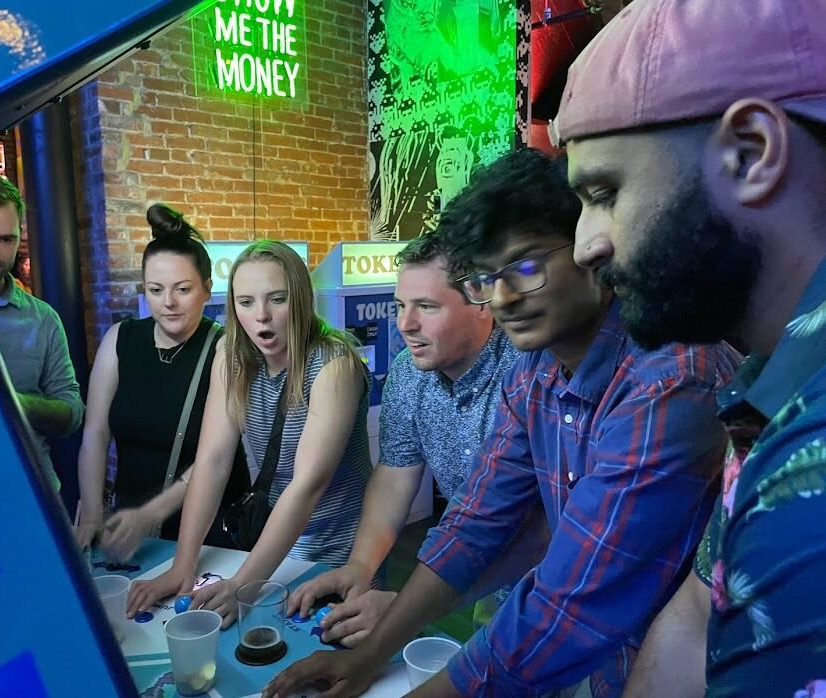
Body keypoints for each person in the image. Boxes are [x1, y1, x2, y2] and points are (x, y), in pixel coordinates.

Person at [265, 148, 741, 698]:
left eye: (526, 267)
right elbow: (477, 523)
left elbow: (573, 598)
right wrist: (370, 657)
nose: (504, 298)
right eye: (486, 278)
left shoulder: (669, 380)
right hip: (602, 661)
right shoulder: (536, 368)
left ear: (590, 247)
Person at [551, 0, 826, 694]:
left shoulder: (810, 473)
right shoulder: (771, 382)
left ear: (751, 153)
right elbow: (704, 603)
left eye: (604, 191)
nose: (585, 246)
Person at [287, 232, 525, 647]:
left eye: (426, 307)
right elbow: (395, 476)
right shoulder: (408, 373)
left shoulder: (527, 370)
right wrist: (361, 565)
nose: (405, 324)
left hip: (564, 574)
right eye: (400, 306)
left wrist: (409, 607)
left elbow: (547, 527)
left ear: (481, 303)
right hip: (476, 575)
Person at [126, 240, 372, 626]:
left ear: (302, 299)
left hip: (340, 551)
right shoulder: (231, 354)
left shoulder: (333, 364)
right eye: (246, 302)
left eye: (277, 299)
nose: (261, 316)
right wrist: (183, 566)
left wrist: (243, 584)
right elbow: (212, 460)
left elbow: (306, 485)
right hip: (274, 545)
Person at [74, 204, 250, 561]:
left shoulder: (224, 349)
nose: (168, 303)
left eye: (182, 290)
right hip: (128, 528)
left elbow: (215, 457)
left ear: (206, 288)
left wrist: (150, 514)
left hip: (208, 529)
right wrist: (93, 513)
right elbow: (95, 433)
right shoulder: (120, 339)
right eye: (155, 290)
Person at [0, 171, 84, 492]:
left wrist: (16, 403)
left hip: (29, 497)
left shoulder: (42, 318)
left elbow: (72, 411)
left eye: (5, 239)